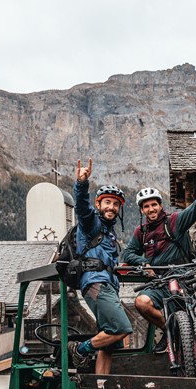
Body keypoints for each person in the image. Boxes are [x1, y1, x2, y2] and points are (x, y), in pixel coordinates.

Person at [122, 164, 196, 349]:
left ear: (160, 205)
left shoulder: (175, 221)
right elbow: (127, 253)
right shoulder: (141, 232)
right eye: (146, 206)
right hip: (161, 282)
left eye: (154, 204)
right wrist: (144, 262)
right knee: (141, 302)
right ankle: (172, 330)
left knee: (194, 315)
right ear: (142, 210)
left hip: (186, 278)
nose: (151, 209)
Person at [67, 158, 133, 374]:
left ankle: (100, 387)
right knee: (121, 328)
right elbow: (82, 208)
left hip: (108, 286)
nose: (111, 207)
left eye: (116, 204)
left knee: (109, 344)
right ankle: (80, 349)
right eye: (107, 202)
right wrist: (81, 183)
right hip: (96, 283)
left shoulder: (110, 233)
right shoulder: (91, 223)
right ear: (99, 204)